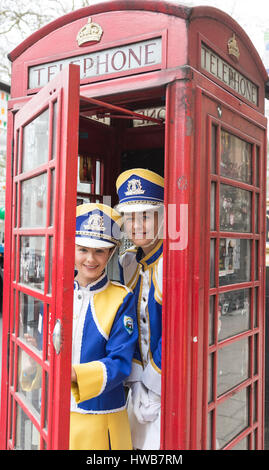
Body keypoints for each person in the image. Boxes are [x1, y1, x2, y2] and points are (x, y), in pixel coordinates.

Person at [70, 202, 138, 450]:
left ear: (111, 254)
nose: (90, 259)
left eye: (99, 251)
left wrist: (77, 375)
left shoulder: (122, 298)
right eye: (83, 249)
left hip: (102, 421)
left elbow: (120, 363)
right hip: (58, 415)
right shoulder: (58, 294)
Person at [115, 168, 164, 450]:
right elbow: (130, 324)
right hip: (139, 387)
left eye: (145, 215)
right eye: (130, 217)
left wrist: (154, 386)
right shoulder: (128, 262)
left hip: (167, 384)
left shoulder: (175, 262)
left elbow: (177, 330)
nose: (137, 225)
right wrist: (136, 383)